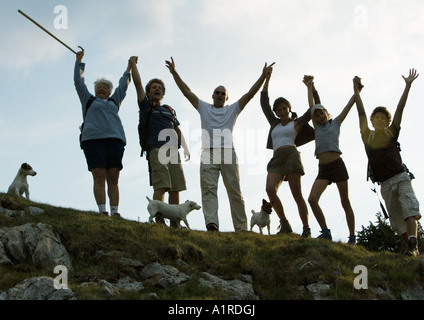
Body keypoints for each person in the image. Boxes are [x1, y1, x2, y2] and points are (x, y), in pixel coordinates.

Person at [166, 57, 274, 232]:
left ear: (227, 98)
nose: (220, 95)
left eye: (223, 93)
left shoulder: (232, 109)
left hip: (227, 152)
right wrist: (174, 73)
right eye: (217, 92)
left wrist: (263, 77)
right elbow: (187, 92)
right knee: (209, 190)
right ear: (212, 95)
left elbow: (250, 94)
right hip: (209, 153)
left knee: (235, 191)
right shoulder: (204, 107)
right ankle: (212, 224)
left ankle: (241, 228)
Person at [354, 69, 421, 256]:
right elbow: (360, 113)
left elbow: (400, 109)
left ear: (387, 121)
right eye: (376, 118)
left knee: (410, 208)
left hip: (400, 176)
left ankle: (413, 243)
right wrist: (357, 93)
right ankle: (411, 249)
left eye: (383, 118)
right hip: (384, 183)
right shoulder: (367, 136)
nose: (379, 120)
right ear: (373, 121)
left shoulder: (391, 133)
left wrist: (407, 86)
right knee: (397, 222)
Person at [129, 57, 190, 227]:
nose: (157, 89)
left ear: (163, 93)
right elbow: (138, 84)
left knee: (175, 187)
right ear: (148, 93)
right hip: (156, 149)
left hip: (173, 150)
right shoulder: (146, 106)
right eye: (153, 87)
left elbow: (177, 130)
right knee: (161, 184)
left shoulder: (169, 110)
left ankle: (175, 223)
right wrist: (133, 65)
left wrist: (185, 147)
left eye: (160, 88)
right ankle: (159, 219)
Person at [74, 49, 131, 217]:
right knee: (99, 177)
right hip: (93, 141)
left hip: (114, 141)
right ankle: (102, 211)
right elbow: (79, 82)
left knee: (113, 178)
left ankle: (115, 212)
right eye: (99, 87)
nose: (101, 89)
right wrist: (79, 63)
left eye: (105, 87)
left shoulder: (114, 101)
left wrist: (128, 69)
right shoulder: (88, 100)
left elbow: (123, 86)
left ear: (109, 91)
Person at [260, 71, 313, 236]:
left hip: (291, 155)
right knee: (269, 189)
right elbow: (264, 103)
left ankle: (306, 228)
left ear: (289, 109)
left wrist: (309, 87)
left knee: (297, 194)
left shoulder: (296, 123)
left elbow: (312, 109)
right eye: (279, 110)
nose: (282, 111)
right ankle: (284, 223)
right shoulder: (274, 123)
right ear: (276, 112)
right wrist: (267, 79)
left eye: (285, 108)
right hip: (277, 158)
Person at [305, 76, 357, 243]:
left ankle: (352, 237)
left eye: (322, 114)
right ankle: (326, 232)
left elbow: (349, 106)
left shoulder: (335, 123)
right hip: (323, 169)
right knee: (312, 199)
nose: (320, 117)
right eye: (317, 115)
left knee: (345, 201)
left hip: (337, 165)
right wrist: (309, 86)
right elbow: (311, 105)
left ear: (327, 113)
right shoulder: (316, 128)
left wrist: (356, 91)